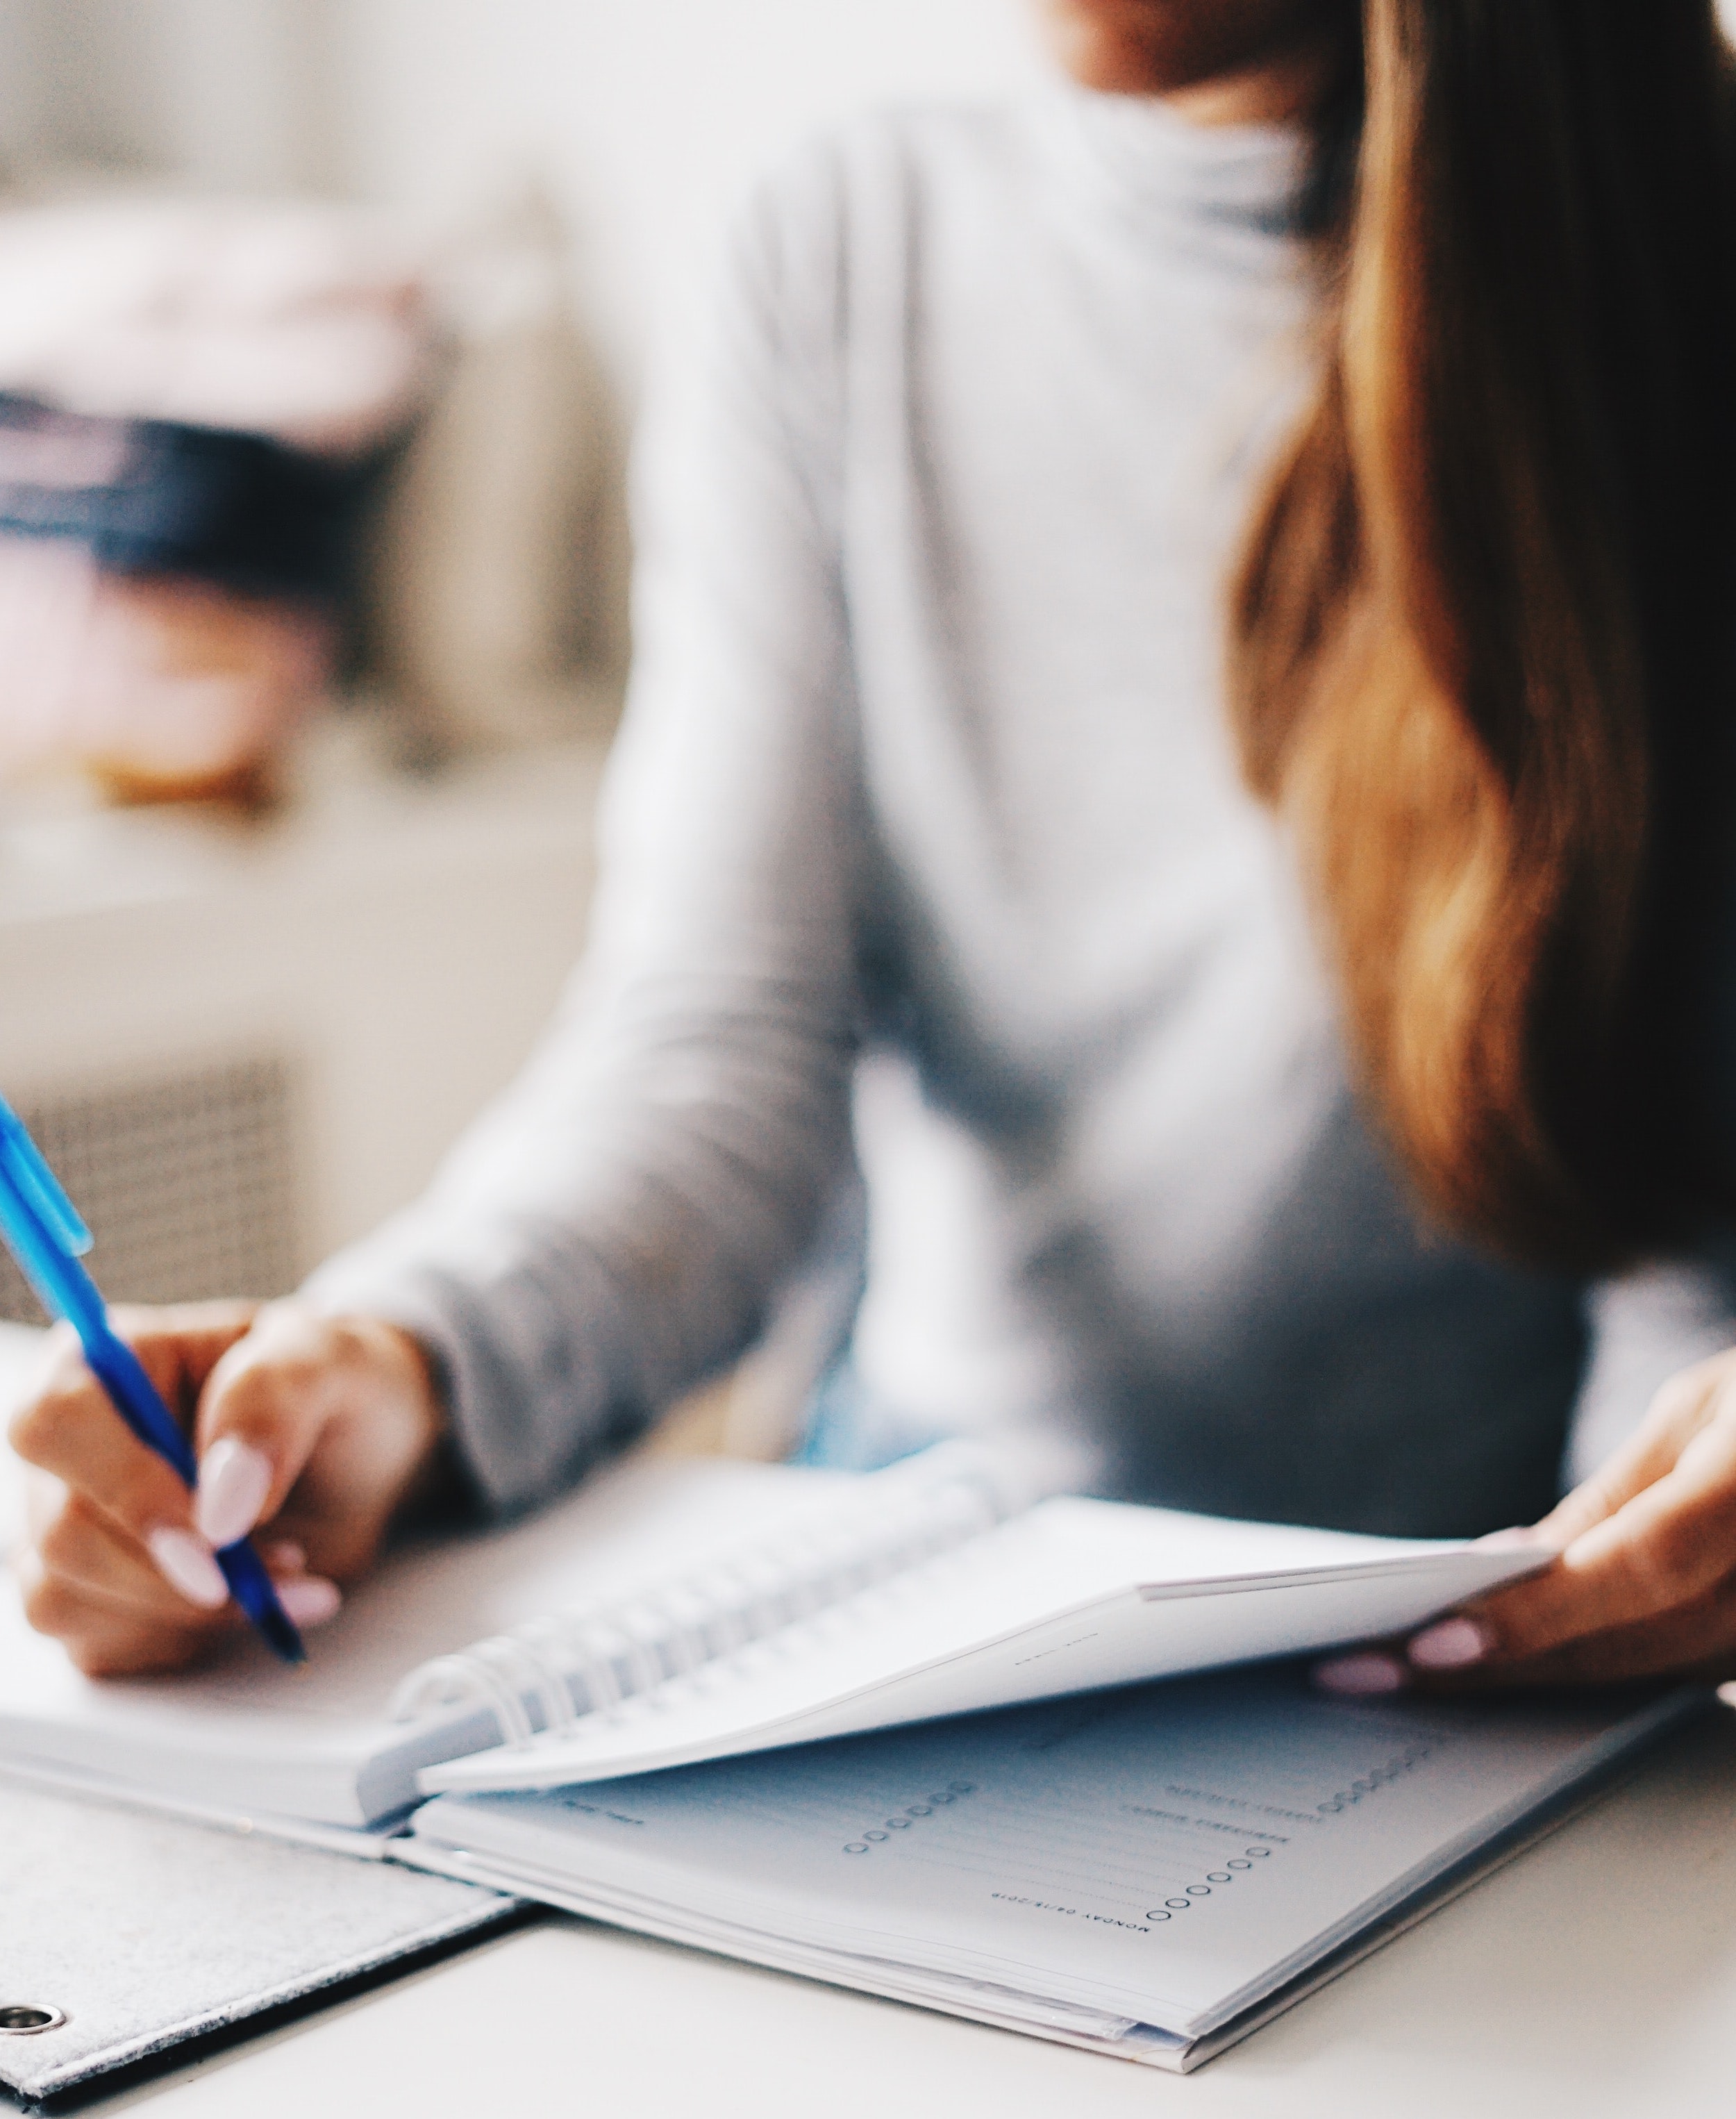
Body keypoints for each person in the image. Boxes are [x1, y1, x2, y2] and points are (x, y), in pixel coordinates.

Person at [14, 0, 1736, 1700]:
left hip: (1516, 1687)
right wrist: (393, 1359)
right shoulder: (843, 249)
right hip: (923, 1619)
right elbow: (714, 1054)